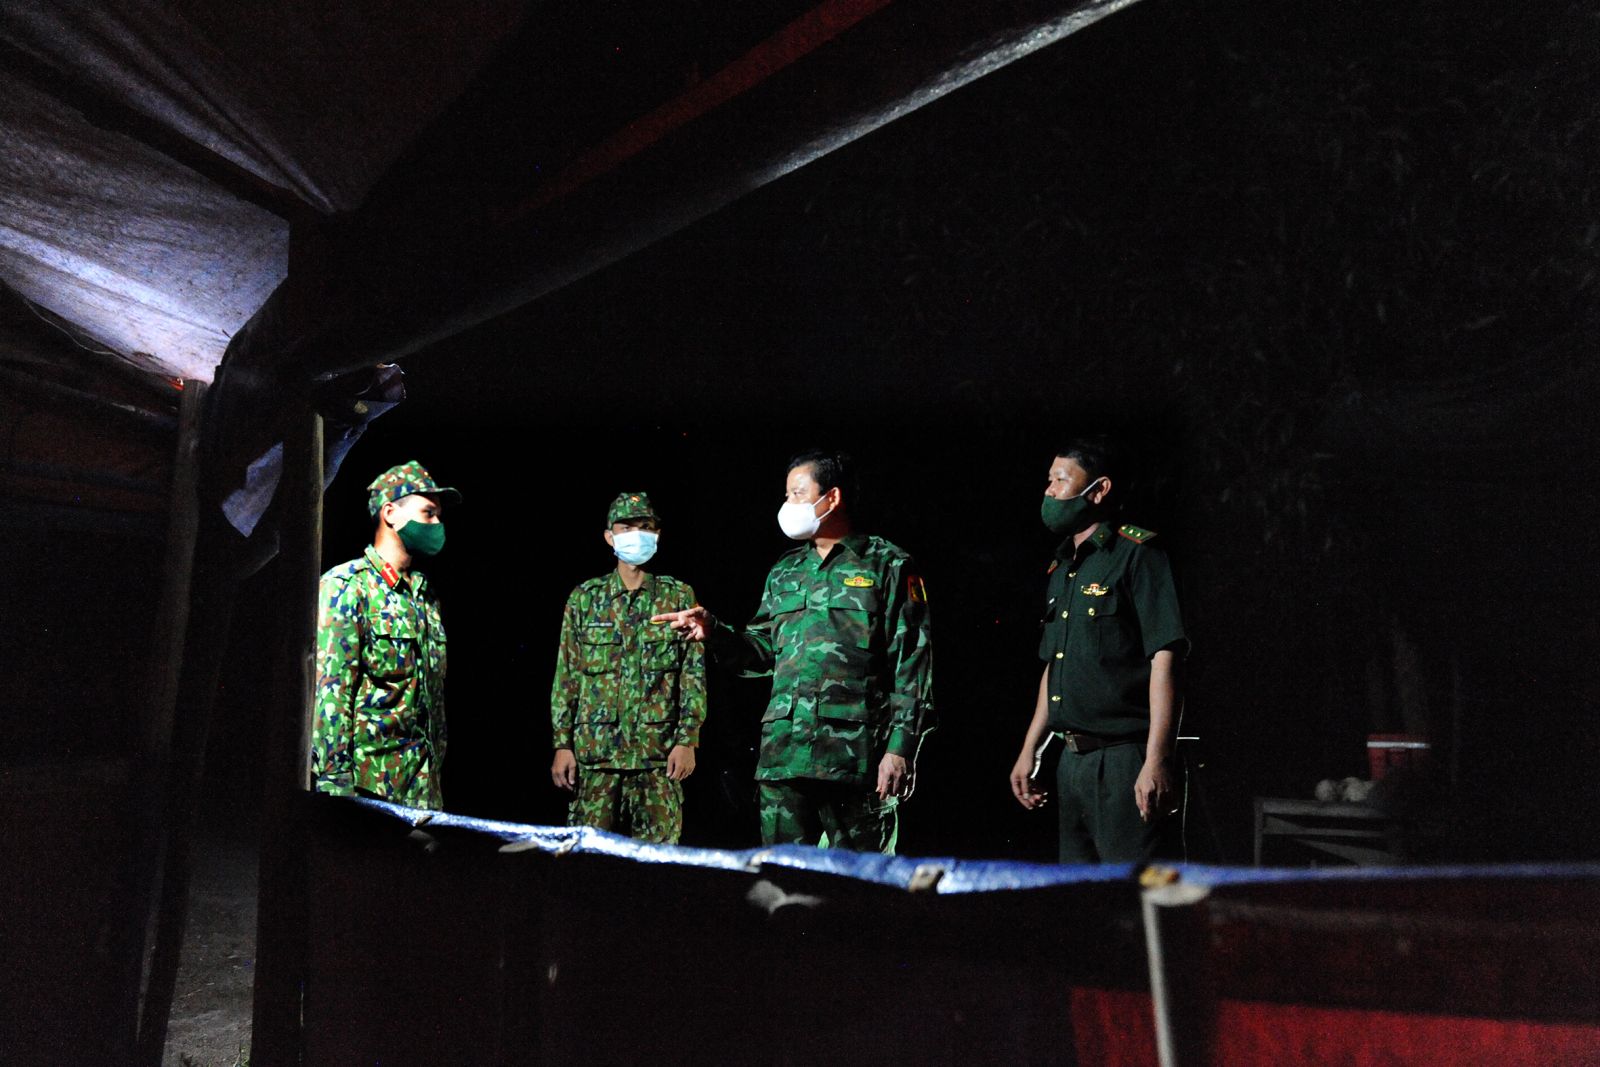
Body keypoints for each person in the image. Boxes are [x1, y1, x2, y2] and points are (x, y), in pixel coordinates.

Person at [654, 449, 933, 852]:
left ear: (831, 498)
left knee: (861, 892)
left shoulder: (887, 565)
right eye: (786, 496)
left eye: (798, 494)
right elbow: (761, 651)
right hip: (784, 759)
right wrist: (715, 632)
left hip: (856, 761)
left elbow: (913, 664)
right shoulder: (785, 571)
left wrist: (900, 750)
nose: (788, 506)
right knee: (785, 886)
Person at [1009, 438, 1188, 863]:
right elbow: (1055, 667)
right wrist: (1030, 749)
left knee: (1137, 897)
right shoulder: (1063, 567)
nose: (1049, 491)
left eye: (1060, 480)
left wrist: (1157, 760)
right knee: (1081, 903)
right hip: (1071, 763)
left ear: (1099, 489)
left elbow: (1166, 656)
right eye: (1048, 481)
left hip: (1126, 760)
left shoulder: (1137, 556)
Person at [549, 491, 706, 844]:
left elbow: (692, 673)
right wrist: (563, 744)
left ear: (657, 534)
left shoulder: (677, 596)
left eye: (645, 526)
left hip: (657, 760)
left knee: (657, 869)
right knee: (589, 865)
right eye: (626, 526)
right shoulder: (584, 599)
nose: (636, 533)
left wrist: (687, 739)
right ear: (609, 536)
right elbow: (567, 675)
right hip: (596, 761)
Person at [311, 460, 459, 810]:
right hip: (369, 792)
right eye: (428, 513)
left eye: (438, 515)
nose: (437, 524)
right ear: (390, 514)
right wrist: (335, 792)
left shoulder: (425, 597)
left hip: (423, 791)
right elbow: (330, 696)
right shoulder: (346, 586)